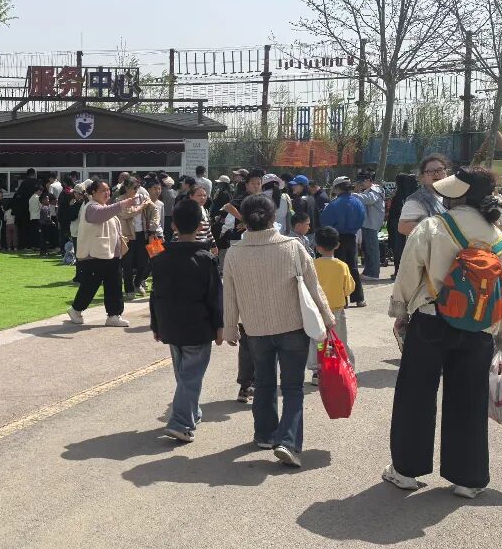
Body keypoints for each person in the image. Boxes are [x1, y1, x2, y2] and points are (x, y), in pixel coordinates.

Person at [384, 166, 502, 498]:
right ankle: (468, 478)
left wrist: (401, 310)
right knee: (469, 400)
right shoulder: (500, 238)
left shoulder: (433, 227)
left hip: (431, 320)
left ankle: (406, 470)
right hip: (479, 329)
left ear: (457, 195)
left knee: (415, 395)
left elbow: (408, 271)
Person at [223, 194, 335, 467]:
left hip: (255, 329)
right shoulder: (292, 246)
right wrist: (328, 318)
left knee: (263, 383)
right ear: (274, 217)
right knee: (293, 387)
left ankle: (265, 434)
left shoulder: (235, 252)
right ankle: (289, 442)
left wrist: (230, 328)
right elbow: (313, 286)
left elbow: (229, 294)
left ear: (243, 220)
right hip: (292, 327)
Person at [152, 199, 224, 442]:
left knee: (184, 374)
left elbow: (155, 294)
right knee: (190, 376)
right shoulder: (206, 258)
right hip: (197, 326)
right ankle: (181, 421)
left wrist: (155, 324)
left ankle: (191, 412)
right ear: (200, 226)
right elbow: (214, 296)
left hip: (170, 324)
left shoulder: (160, 256)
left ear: (173, 225)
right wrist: (219, 326)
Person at [67, 180, 139, 327]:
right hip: (94, 255)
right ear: (93, 192)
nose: (107, 193)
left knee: (114, 285)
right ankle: (76, 309)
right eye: (103, 190)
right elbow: (101, 215)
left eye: (108, 190)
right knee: (90, 285)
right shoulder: (90, 207)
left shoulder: (105, 207)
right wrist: (123, 204)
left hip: (110, 254)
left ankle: (114, 315)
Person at [306, 226, 356, 381]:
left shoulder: (312, 265)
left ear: (317, 247)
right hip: (336, 310)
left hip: (317, 310)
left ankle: (318, 370)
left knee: (318, 341)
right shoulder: (342, 266)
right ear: (337, 245)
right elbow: (349, 288)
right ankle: (342, 366)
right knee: (339, 339)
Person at [320, 177, 366, 307]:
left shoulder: (334, 204)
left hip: (337, 237)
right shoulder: (358, 202)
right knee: (353, 267)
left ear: (337, 188)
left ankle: (343, 299)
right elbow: (362, 219)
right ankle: (359, 298)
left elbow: (325, 221)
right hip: (352, 236)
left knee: (339, 268)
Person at [355, 171, 386, 280]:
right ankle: (368, 271)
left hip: (371, 224)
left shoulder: (375, 190)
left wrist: (354, 195)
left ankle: (373, 273)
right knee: (367, 249)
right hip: (367, 223)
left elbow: (369, 200)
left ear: (369, 180)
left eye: (362, 181)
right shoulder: (368, 190)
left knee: (372, 249)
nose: (360, 184)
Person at [386, 173, 417, 279]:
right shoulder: (417, 195)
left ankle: (399, 271)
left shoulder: (399, 196)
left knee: (399, 248)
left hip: (399, 225)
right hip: (414, 224)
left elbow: (393, 213)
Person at [12, 168, 39, 249]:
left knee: (24, 227)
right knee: (35, 227)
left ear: (27, 175)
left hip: (25, 208)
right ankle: (35, 244)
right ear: (34, 174)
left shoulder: (24, 183)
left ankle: (25, 245)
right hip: (36, 208)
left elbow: (18, 194)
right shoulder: (38, 182)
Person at [160, 175, 178, 241]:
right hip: (170, 215)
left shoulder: (161, 192)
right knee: (169, 235)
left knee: (162, 234)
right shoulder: (174, 192)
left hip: (163, 215)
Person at [27, 186, 43, 250]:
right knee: (38, 232)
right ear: (38, 191)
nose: (41, 193)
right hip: (38, 216)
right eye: (41, 191)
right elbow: (41, 207)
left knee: (33, 232)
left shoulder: (30, 198)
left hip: (32, 217)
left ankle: (33, 245)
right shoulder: (38, 198)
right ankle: (38, 246)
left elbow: (29, 209)